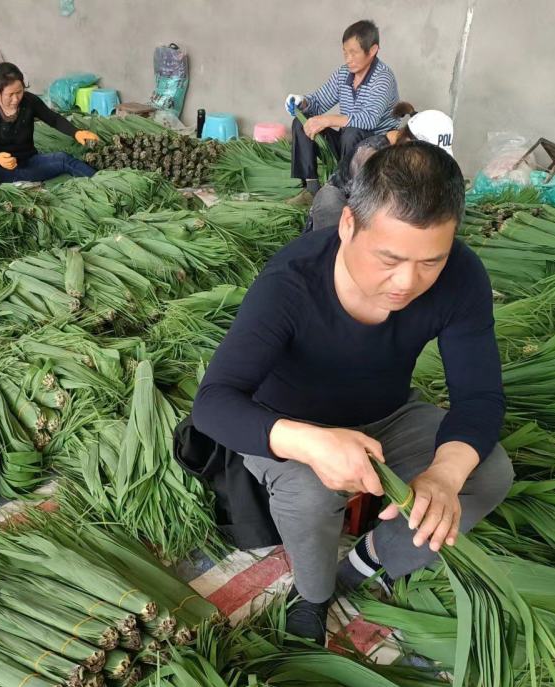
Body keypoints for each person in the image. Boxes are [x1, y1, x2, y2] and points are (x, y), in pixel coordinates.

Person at [192, 143, 514, 645]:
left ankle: (369, 561)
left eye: (431, 261)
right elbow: (213, 402)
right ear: (347, 225)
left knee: (487, 471)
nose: (407, 282)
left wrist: (446, 473)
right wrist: (311, 443)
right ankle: (313, 595)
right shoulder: (291, 284)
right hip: (291, 420)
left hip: (387, 413)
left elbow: (480, 397)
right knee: (311, 490)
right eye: (389, 258)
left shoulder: (461, 277)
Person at [285, 20, 400, 194]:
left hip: (375, 152)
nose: (348, 59)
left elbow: (368, 119)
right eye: (345, 53)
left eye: (354, 53)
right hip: (348, 145)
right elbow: (318, 102)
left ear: (373, 50)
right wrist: (303, 102)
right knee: (302, 123)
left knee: (352, 131)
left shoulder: (383, 78)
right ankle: (311, 190)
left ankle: (347, 193)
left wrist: (328, 120)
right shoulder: (343, 74)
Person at [309, 103, 454, 231]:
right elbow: (370, 210)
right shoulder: (371, 155)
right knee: (329, 200)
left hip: (382, 211)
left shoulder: (408, 155)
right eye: (427, 156)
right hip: (347, 209)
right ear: (409, 142)